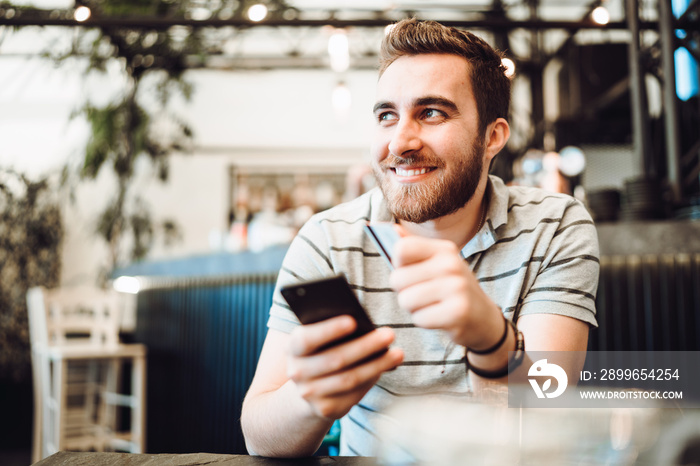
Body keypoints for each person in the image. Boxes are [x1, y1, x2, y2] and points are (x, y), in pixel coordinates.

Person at [241, 18, 599, 457]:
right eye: (387, 115)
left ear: (492, 137)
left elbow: (544, 419)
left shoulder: (555, 226)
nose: (399, 142)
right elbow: (258, 435)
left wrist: (491, 342)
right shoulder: (329, 239)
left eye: (431, 113)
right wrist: (310, 399)